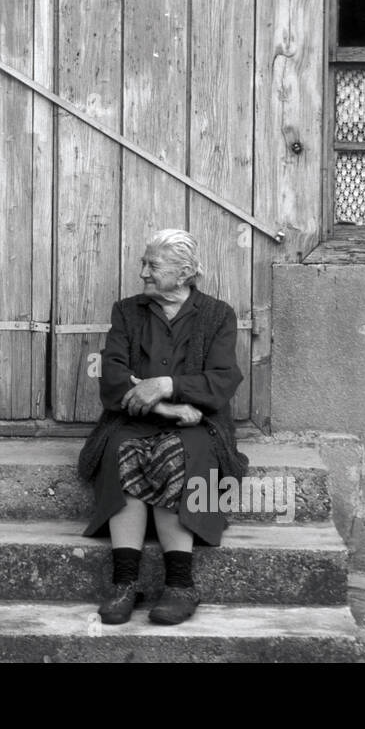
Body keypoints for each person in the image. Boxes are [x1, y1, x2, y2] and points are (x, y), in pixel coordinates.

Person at [77, 229, 247, 626]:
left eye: (152, 266)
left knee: (177, 454)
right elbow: (113, 374)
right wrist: (167, 407)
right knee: (124, 449)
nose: (143, 273)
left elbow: (222, 379)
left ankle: (181, 585)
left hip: (200, 423)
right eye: (144, 264)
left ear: (184, 273)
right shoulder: (127, 312)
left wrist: (167, 384)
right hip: (135, 419)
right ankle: (125, 583)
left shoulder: (217, 315)